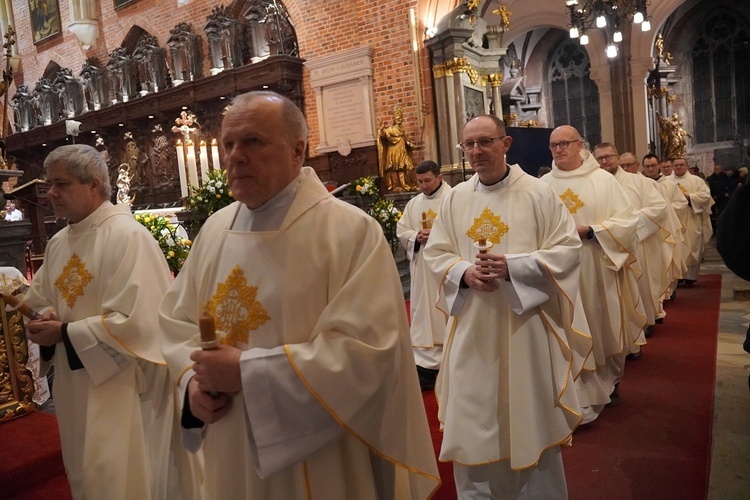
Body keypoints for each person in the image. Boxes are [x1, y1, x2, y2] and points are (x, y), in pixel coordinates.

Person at [159, 91, 439, 498]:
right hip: (229, 445)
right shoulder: (215, 230)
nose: (235, 156)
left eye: (252, 141)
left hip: (321, 457)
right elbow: (175, 322)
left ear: (298, 149)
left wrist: (248, 372)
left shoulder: (348, 232)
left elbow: (367, 351)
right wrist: (192, 385)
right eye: (228, 144)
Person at [424, 115, 587, 498]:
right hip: (472, 327)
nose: (476, 151)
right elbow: (437, 253)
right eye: (469, 145)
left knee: (527, 418)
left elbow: (567, 251)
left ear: (506, 143)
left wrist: (513, 267)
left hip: (524, 328)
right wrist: (464, 273)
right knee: (472, 419)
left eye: (485, 142)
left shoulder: (539, 193)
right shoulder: (456, 198)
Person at [23, 144, 188, 499]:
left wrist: (64, 333)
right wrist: (45, 321)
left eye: (61, 184)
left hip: (124, 386)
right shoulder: (58, 243)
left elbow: (140, 325)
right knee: (87, 472)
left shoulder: (128, 237)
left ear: (94, 184)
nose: (50, 193)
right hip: (75, 382)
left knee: (121, 476)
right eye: (50, 184)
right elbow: (42, 301)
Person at [541, 126, 642, 422]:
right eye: (553, 145)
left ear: (579, 145)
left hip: (596, 264)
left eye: (564, 144)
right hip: (558, 271)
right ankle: (569, 391)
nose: (558, 150)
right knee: (565, 327)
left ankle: (607, 383)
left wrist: (592, 231)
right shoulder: (543, 184)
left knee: (600, 324)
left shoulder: (603, 181)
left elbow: (627, 222)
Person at [595, 143, 671, 350]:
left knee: (640, 286)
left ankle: (641, 328)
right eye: (600, 158)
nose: (604, 162)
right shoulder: (594, 184)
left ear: (617, 158)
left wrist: (626, 225)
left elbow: (659, 209)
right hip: (606, 247)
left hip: (639, 246)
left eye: (608, 157)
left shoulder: (640, 182)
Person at [396, 159, 451, 391]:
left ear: (439, 177)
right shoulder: (414, 203)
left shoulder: (453, 198)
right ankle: (425, 364)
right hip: (422, 269)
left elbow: (460, 228)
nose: (424, 186)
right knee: (422, 313)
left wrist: (437, 235)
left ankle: (448, 358)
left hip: (445, 268)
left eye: (427, 180)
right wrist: (415, 237)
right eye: (419, 182)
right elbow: (402, 229)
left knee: (444, 310)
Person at [642, 153, 689, 304]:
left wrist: (665, 212)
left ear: (659, 166)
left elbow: (681, 203)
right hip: (647, 229)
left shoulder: (669, 184)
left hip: (667, 227)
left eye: (653, 165)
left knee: (668, 257)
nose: (650, 169)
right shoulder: (640, 183)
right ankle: (656, 295)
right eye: (647, 166)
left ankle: (669, 290)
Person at [670, 157, 714, 286]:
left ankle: (690, 277)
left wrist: (689, 197)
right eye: (676, 165)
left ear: (687, 166)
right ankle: (677, 277)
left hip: (692, 219)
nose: (678, 167)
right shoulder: (666, 182)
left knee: (692, 247)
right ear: (673, 167)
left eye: (681, 165)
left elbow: (706, 197)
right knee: (676, 248)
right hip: (674, 221)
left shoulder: (697, 181)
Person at [378, 106, 419, 192]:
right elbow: (383, 134)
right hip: (394, 152)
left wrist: (414, 147)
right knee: (395, 169)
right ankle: (399, 186)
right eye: (397, 118)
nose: (399, 120)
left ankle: (409, 184)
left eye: (400, 118)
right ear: (394, 119)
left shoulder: (401, 130)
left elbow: (406, 141)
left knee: (408, 167)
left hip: (402, 152)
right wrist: (381, 129)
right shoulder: (391, 129)